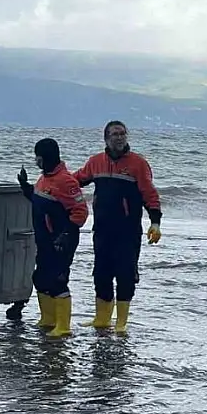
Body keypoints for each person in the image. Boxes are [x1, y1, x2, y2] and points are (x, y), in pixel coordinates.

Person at [72, 120, 161, 334]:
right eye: (114, 134)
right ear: (106, 138)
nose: (119, 137)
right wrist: (48, 182)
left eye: (122, 133)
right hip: (102, 229)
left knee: (125, 275)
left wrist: (155, 221)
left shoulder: (138, 164)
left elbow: (149, 194)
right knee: (101, 274)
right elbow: (75, 181)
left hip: (128, 231)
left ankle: (121, 322)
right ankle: (101, 319)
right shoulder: (96, 162)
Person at [17, 138, 89, 338]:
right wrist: (25, 187)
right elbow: (39, 200)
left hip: (61, 240)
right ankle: (48, 320)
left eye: (37, 157)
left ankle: (63, 326)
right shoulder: (44, 178)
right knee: (40, 278)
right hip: (45, 240)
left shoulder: (66, 181)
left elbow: (81, 210)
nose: (36, 161)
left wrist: (66, 233)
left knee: (58, 281)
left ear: (44, 157)